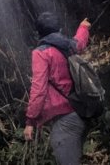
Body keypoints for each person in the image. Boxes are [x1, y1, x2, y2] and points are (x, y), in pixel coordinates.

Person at [24, 12, 91, 165]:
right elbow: (79, 41)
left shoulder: (40, 53)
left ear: (38, 33)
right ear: (59, 28)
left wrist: (30, 121)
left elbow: (38, 89)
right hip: (80, 111)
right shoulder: (68, 45)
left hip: (65, 117)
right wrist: (83, 27)